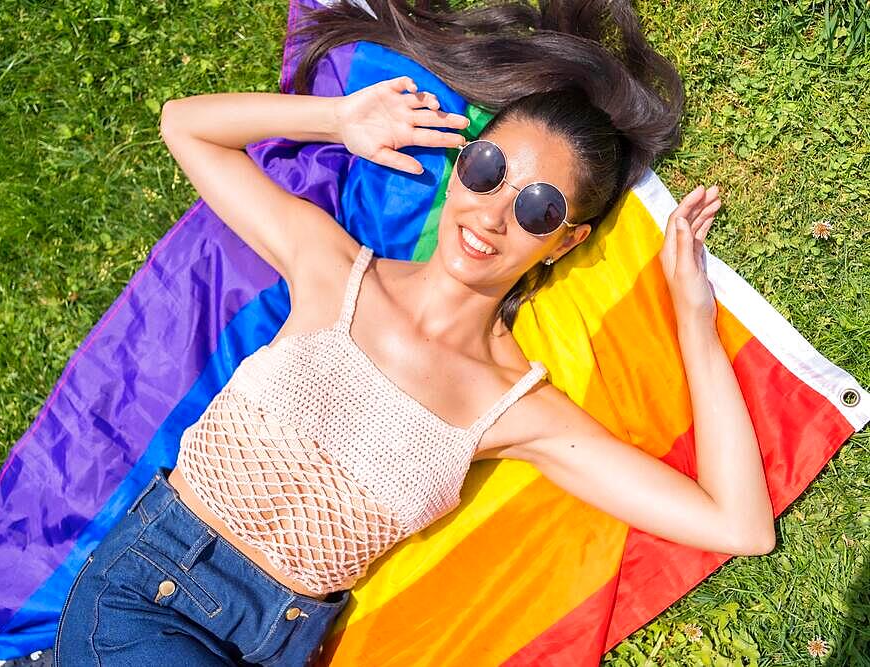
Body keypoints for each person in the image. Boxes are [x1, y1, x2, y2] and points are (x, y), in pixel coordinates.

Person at [52, 0, 775, 664]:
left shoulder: (515, 407)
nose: (492, 214)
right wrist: (338, 121)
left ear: (564, 240)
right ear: (460, 167)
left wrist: (693, 318)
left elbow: (739, 525)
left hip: (279, 643)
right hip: (150, 595)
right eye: (487, 169)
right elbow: (185, 125)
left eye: (536, 208)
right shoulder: (333, 269)